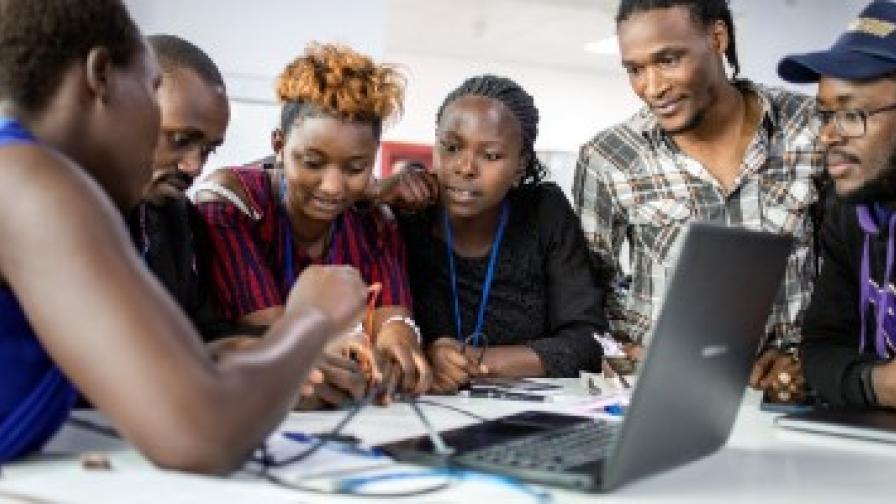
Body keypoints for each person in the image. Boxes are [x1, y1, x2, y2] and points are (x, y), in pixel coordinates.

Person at [0, 0, 366, 472]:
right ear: (101, 75)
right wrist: (312, 317)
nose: (194, 164)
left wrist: (217, 358)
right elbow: (203, 433)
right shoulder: (30, 179)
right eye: (153, 89)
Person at [571, 0, 824, 401]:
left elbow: (848, 271)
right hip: (666, 393)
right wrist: (625, 354)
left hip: (787, 394)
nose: (652, 88)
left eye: (668, 60)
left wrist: (813, 358)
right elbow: (583, 298)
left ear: (717, 38)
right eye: (635, 70)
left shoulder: (808, 128)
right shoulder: (609, 157)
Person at [196, 43, 431, 407]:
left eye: (355, 169)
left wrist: (400, 343)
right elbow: (273, 335)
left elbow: (391, 321)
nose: (334, 187)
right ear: (278, 144)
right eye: (312, 162)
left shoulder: (376, 219)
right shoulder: (234, 205)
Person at [397, 75, 608, 393]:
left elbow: (587, 341)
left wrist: (480, 362)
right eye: (451, 147)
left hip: (527, 414)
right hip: (418, 408)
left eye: (491, 155)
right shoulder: (407, 217)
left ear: (520, 165)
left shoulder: (544, 213)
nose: (465, 167)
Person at [780, 1, 896, 408]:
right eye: (825, 115)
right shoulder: (851, 212)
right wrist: (879, 383)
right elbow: (822, 349)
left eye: (851, 114)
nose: (828, 136)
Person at [127, 34, 230, 338]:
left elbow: (199, 335)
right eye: (181, 140)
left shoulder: (174, 214)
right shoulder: (59, 201)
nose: (194, 166)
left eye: (208, 150)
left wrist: (302, 356)